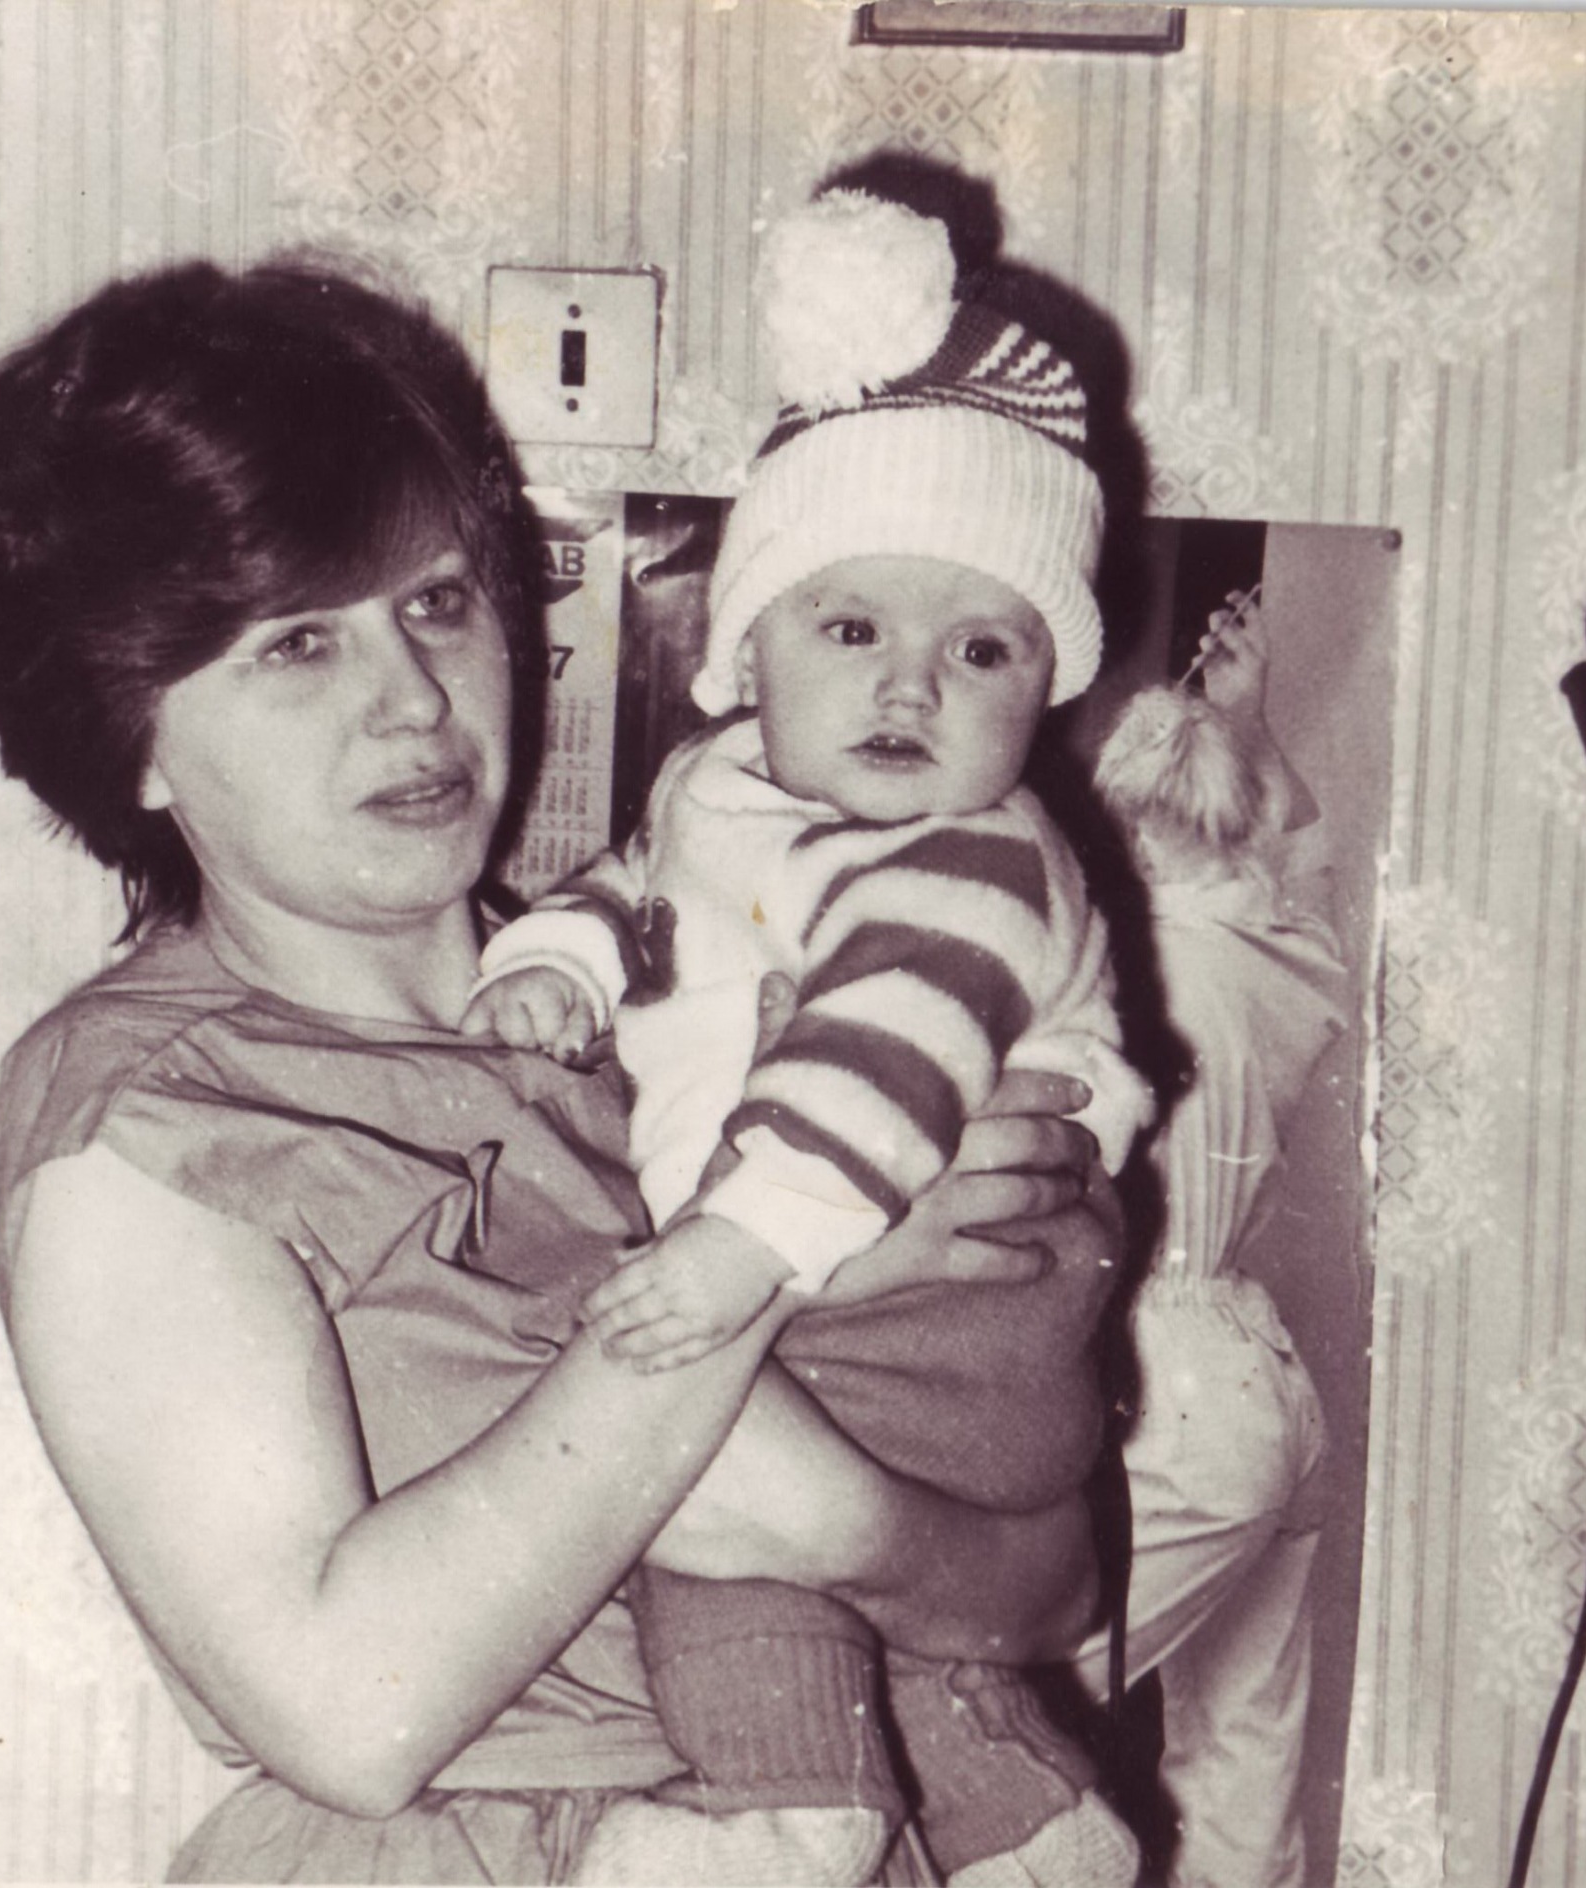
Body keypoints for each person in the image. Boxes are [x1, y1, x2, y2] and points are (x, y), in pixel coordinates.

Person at [0, 255, 1122, 1886]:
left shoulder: (681, 993)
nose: (413, 699)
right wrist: (791, 1264)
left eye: (436, 603)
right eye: (297, 645)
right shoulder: (142, 1117)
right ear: (127, 732)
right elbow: (347, 1711)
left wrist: (836, 1504)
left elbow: (1056, 1587)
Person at [466, 191, 1149, 1887]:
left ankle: (788, 1810)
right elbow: (635, 895)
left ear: (1047, 684)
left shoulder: (978, 861)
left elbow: (878, 1065)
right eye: (853, 630)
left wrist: (741, 1250)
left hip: (946, 1325)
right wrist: (556, 960)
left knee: (711, 1517)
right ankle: (1023, 1816)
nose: (912, 688)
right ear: (747, 648)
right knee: (837, 1558)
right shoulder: (720, 795)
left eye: (981, 648)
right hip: (873, 1317)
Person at [1076, 598, 1349, 1888]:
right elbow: (1304, 852)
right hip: (1272, 1382)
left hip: (1173, 1388)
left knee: (992, 1713)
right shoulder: (1285, 953)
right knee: (1243, 1771)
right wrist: (1250, 726)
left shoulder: (1129, 985)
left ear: (1129, 824)